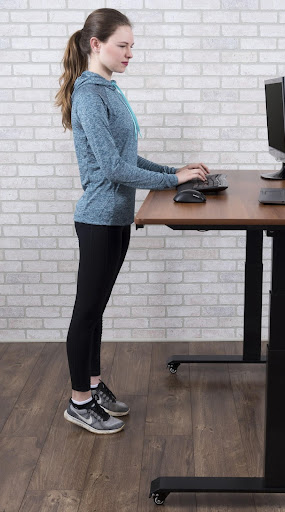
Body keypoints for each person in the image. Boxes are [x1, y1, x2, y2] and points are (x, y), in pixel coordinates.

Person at [55, 8, 209, 434]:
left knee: (97, 308)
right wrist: (171, 178)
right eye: (122, 45)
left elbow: (127, 158)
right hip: (99, 219)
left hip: (117, 218)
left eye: (131, 46)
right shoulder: (89, 93)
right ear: (96, 44)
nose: (129, 53)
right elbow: (113, 170)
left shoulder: (109, 89)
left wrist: (174, 171)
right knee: (86, 311)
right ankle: (78, 401)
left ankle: (93, 382)